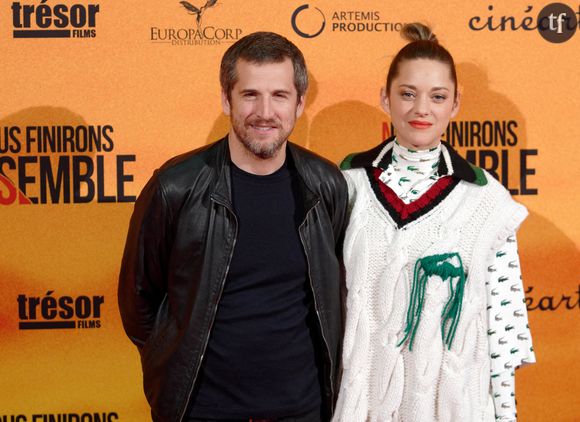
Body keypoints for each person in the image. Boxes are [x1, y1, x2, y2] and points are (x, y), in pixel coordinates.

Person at [118, 32, 348, 422]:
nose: (265, 112)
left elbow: (336, 292)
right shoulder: (175, 186)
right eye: (250, 95)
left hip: (302, 409)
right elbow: (139, 302)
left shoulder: (325, 185)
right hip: (202, 410)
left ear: (299, 103)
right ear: (227, 99)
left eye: (279, 96)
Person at [333, 23, 535, 422]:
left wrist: (505, 414)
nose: (421, 109)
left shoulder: (487, 201)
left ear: (456, 104)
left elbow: (504, 332)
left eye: (437, 97)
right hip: (359, 405)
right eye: (407, 94)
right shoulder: (345, 186)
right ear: (384, 98)